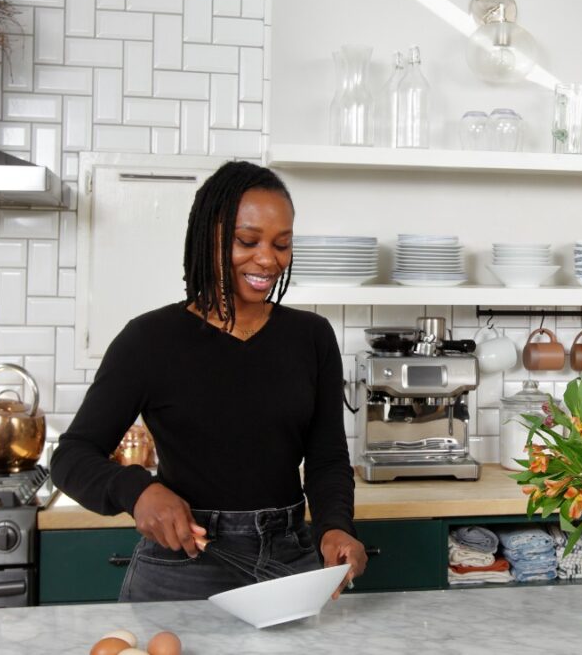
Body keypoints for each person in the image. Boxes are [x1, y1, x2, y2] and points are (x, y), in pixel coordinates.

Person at [50, 160, 367, 601]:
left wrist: (335, 528)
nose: (267, 260)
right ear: (209, 235)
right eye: (246, 241)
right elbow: (70, 457)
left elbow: (328, 457)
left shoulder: (310, 337)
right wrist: (140, 492)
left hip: (290, 561)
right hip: (184, 563)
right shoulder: (149, 339)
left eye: (282, 245)